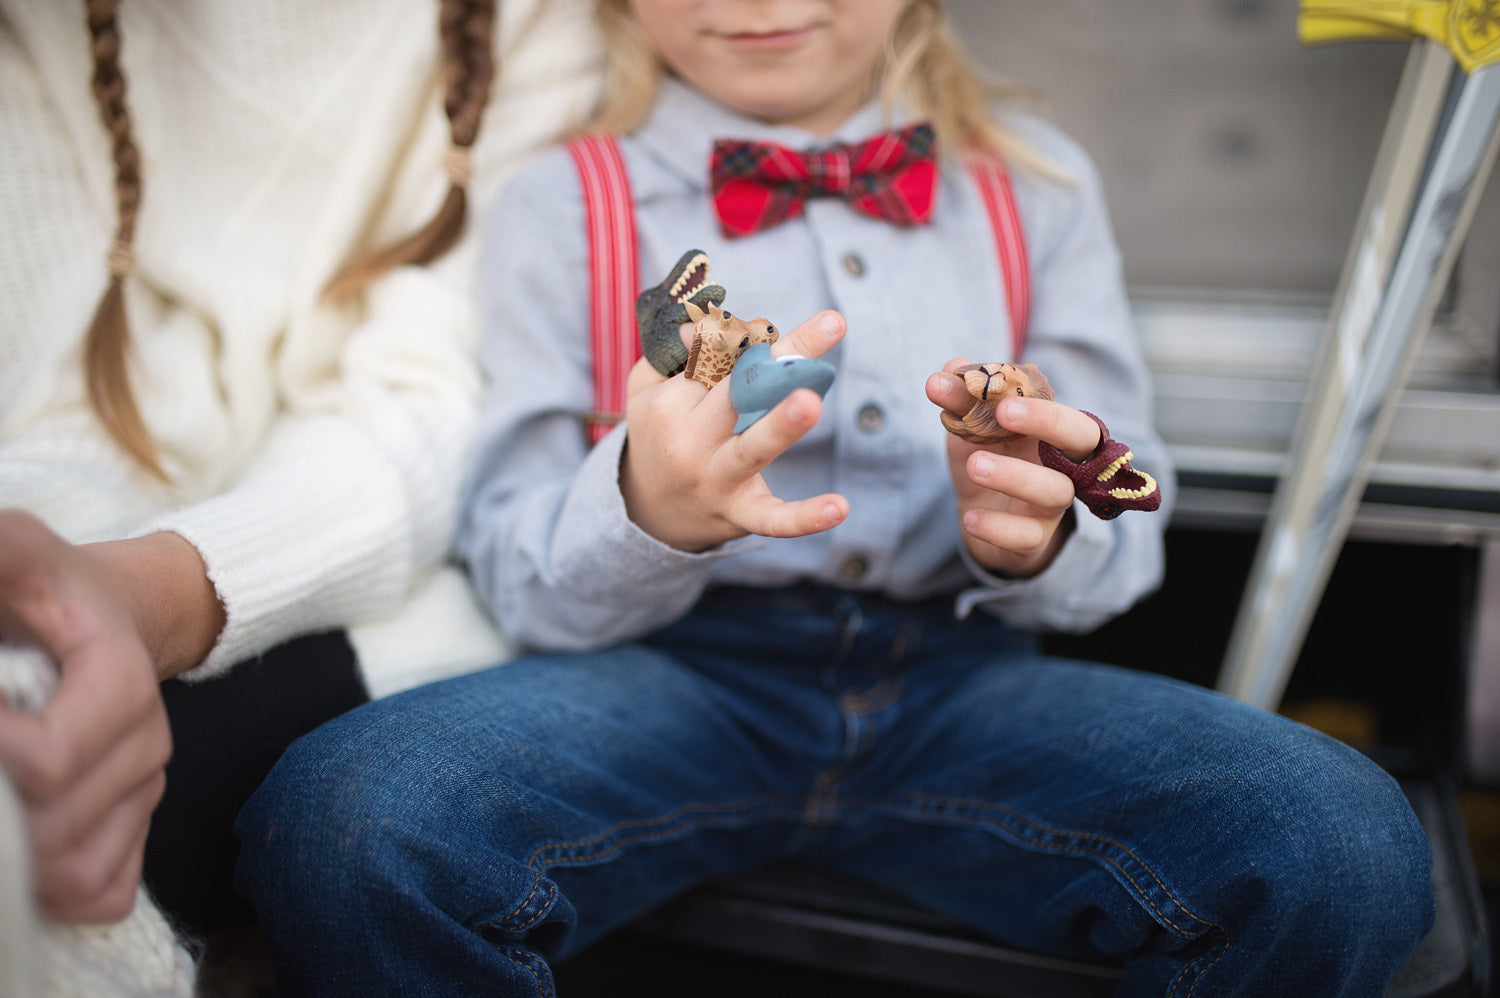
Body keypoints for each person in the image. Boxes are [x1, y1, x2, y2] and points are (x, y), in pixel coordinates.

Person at [235, 1, 1437, 994]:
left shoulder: (1039, 187)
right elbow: (511, 561)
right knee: (346, 820)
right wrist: (644, 504)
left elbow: (1127, 529)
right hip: (669, 677)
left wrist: (1037, 531)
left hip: (967, 683)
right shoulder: (563, 202)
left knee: (1343, 844)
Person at [0, 0, 603, 992]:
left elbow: (435, 413)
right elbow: (53, 411)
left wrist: (142, 599)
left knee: (167, 808)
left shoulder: (536, 21)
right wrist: (48, 592)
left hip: (403, 571)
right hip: (128, 541)